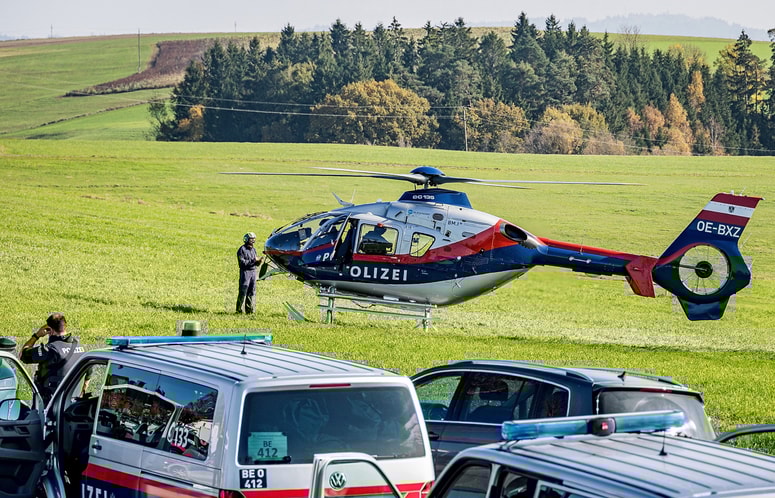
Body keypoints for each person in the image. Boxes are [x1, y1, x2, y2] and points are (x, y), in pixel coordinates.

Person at [20, 313, 84, 404]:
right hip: (73, 402)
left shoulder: (50, 349)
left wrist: (36, 335)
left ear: (49, 330)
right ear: (65, 326)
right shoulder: (80, 347)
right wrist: (82, 393)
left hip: (50, 403)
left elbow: (22, 355)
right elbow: (88, 376)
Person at [237, 232, 258, 314]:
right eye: (251, 239)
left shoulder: (254, 250)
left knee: (251, 291)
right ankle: (239, 310)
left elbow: (255, 261)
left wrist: (258, 262)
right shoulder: (241, 250)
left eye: (254, 239)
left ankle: (249, 311)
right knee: (243, 291)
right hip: (245, 272)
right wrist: (253, 261)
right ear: (246, 239)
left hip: (253, 272)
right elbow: (242, 263)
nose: (253, 240)